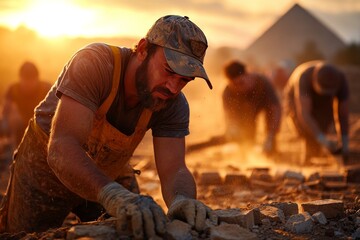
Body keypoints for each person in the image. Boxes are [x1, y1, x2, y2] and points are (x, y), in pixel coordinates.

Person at [0, 15, 217, 238]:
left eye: (184, 80)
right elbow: (62, 147)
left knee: (140, 228)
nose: (173, 87)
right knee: (23, 236)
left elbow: (174, 169)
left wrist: (182, 199)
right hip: (45, 168)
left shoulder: (172, 102)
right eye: (169, 71)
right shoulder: (96, 64)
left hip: (109, 171)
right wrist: (113, 195)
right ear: (143, 49)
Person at [284, 60, 349, 164]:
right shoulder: (304, 78)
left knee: (324, 121)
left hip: (322, 96)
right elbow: (304, 114)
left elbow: (343, 113)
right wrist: (321, 138)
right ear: (314, 80)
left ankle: (317, 149)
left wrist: (344, 142)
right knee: (304, 128)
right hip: (295, 96)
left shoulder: (340, 79)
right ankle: (308, 152)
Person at [222, 60, 282, 156]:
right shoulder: (228, 92)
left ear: (248, 75)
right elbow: (229, 116)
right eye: (235, 85)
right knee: (245, 133)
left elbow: (275, 109)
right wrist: (233, 127)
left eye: (241, 83)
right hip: (245, 113)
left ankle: (271, 150)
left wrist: (270, 136)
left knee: (271, 132)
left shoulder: (263, 83)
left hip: (266, 107)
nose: (239, 88)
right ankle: (246, 154)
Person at [0, 61, 52, 147]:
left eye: (31, 80)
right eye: (25, 79)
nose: (28, 84)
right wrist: (6, 124)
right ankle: (17, 149)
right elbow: (5, 111)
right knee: (14, 119)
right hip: (21, 125)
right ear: (20, 78)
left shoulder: (46, 88)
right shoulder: (13, 89)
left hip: (42, 126)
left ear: (37, 78)